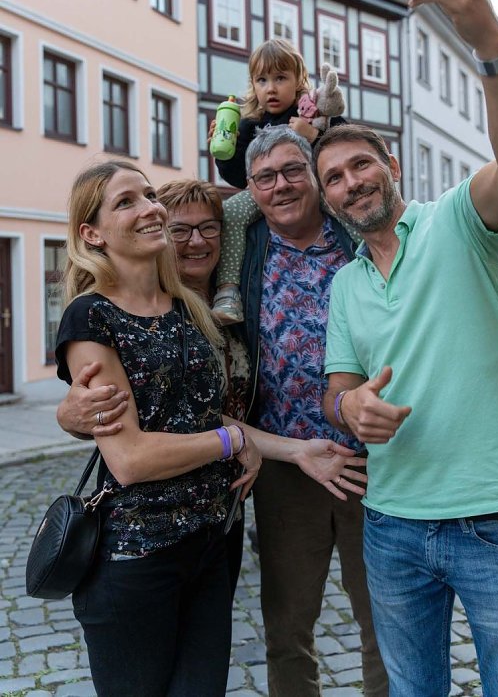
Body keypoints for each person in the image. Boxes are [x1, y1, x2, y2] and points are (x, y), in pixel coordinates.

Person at [314, 0, 498, 697]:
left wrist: (489, 41)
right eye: (334, 178)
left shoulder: (459, 220)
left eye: (361, 165)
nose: (351, 182)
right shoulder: (345, 285)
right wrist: (349, 405)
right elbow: (336, 387)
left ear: (390, 167)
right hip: (391, 526)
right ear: (326, 201)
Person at [57, 178, 367, 611]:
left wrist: (294, 450)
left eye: (210, 229)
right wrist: (69, 417)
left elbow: (205, 414)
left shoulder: (231, 299)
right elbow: (128, 436)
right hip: (147, 526)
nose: (195, 242)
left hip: (223, 505)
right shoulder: (115, 310)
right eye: (180, 230)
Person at [56, 159, 262, 697]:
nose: (149, 208)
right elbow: (130, 458)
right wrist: (231, 440)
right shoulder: (90, 317)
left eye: (149, 196)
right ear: (92, 233)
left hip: (209, 544)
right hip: (137, 555)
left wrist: (260, 442)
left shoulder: (186, 305)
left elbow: (194, 413)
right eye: (126, 202)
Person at [239, 125, 388, 696]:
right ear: (251, 191)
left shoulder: (358, 236)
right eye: (266, 177)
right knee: (287, 629)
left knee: (384, 623)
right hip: (287, 467)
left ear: (315, 177)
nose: (281, 185)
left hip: (372, 463)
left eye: (293, 170)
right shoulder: (244, 250)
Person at [209, 38, 349, 324]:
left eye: (280, 78)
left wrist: (314, 136)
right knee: (232, 211)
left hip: (315, 189)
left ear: (298, 80)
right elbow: (237, 177)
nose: (270, 88)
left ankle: (375, 260)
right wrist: (225, 148)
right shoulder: (249, 123)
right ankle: (227, 291)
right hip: (263, 194)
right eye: (261, 80)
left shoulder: (312, 111)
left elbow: (346, 143)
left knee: (347, 203)